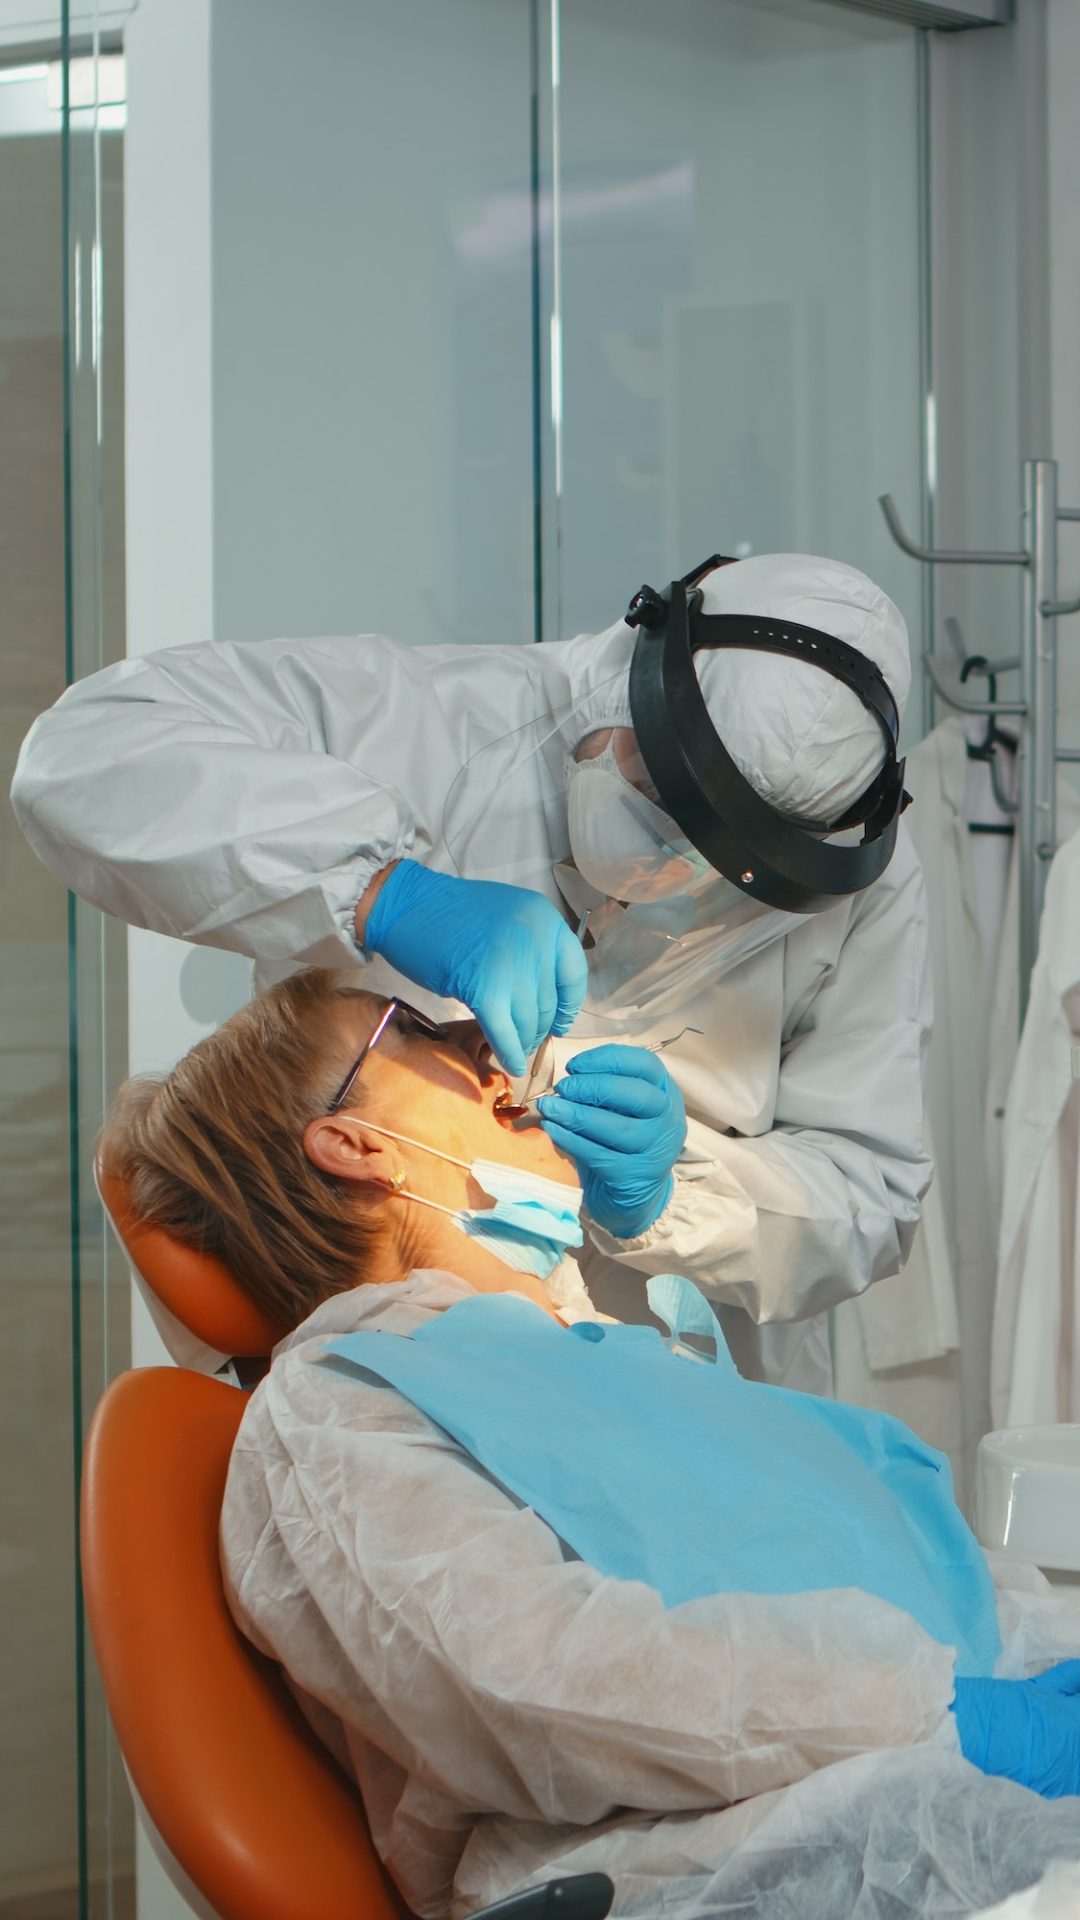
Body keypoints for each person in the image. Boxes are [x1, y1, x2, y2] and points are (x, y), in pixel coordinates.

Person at [102, 970, 1080, 1920]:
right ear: (356, 1144)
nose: (488, 1046)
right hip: (723, 1864)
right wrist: (942, 1709)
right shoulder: (335, 1407)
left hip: (928, 1777)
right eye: (421, 1033)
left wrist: (1027, 1668)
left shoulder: (604, 1359)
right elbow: (529, 1684)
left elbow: (874, 1550)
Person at [15, 552, 932, 1392]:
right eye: (656, 794)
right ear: (636, 678)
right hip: (424, 1388)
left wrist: (672, 1198)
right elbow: (82, 756)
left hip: (693, 1403)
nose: (499, 1065)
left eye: (719, 866)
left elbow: (870, 1197)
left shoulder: (866, 892)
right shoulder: (421, 722)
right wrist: (381, 891)